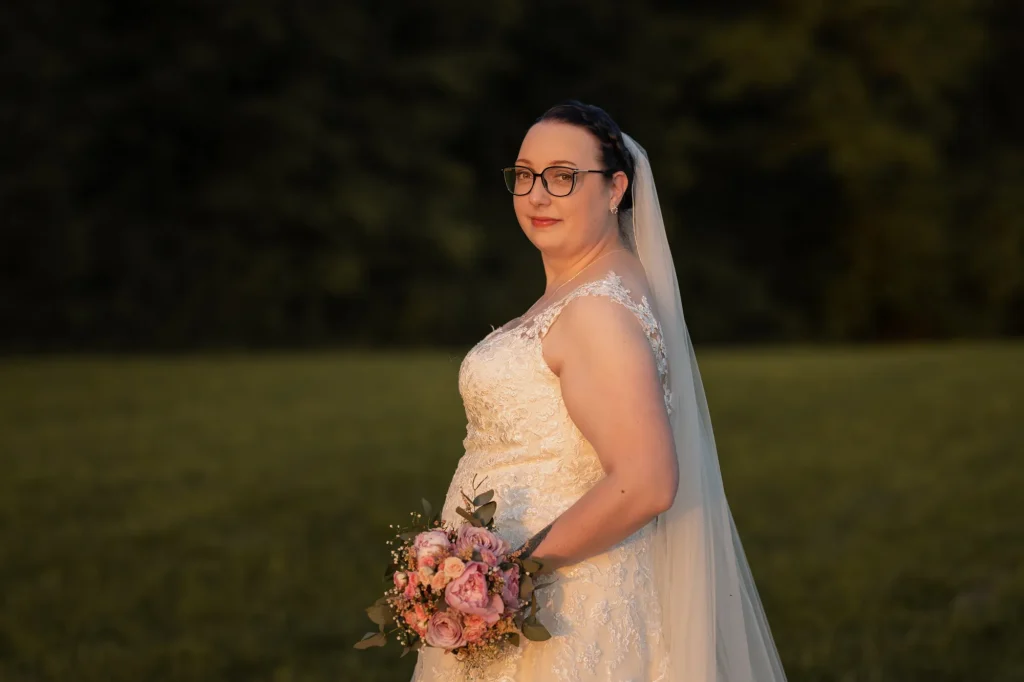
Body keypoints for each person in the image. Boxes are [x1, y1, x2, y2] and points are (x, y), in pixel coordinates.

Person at [411, 101, 787, 682]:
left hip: (566, 610)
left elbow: (646, 482)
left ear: (615, 188)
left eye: (563, 177)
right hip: (529, 595)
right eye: (525, 175)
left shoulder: (596, 311)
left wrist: (502, 577)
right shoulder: (589, 289)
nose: (537, 196)